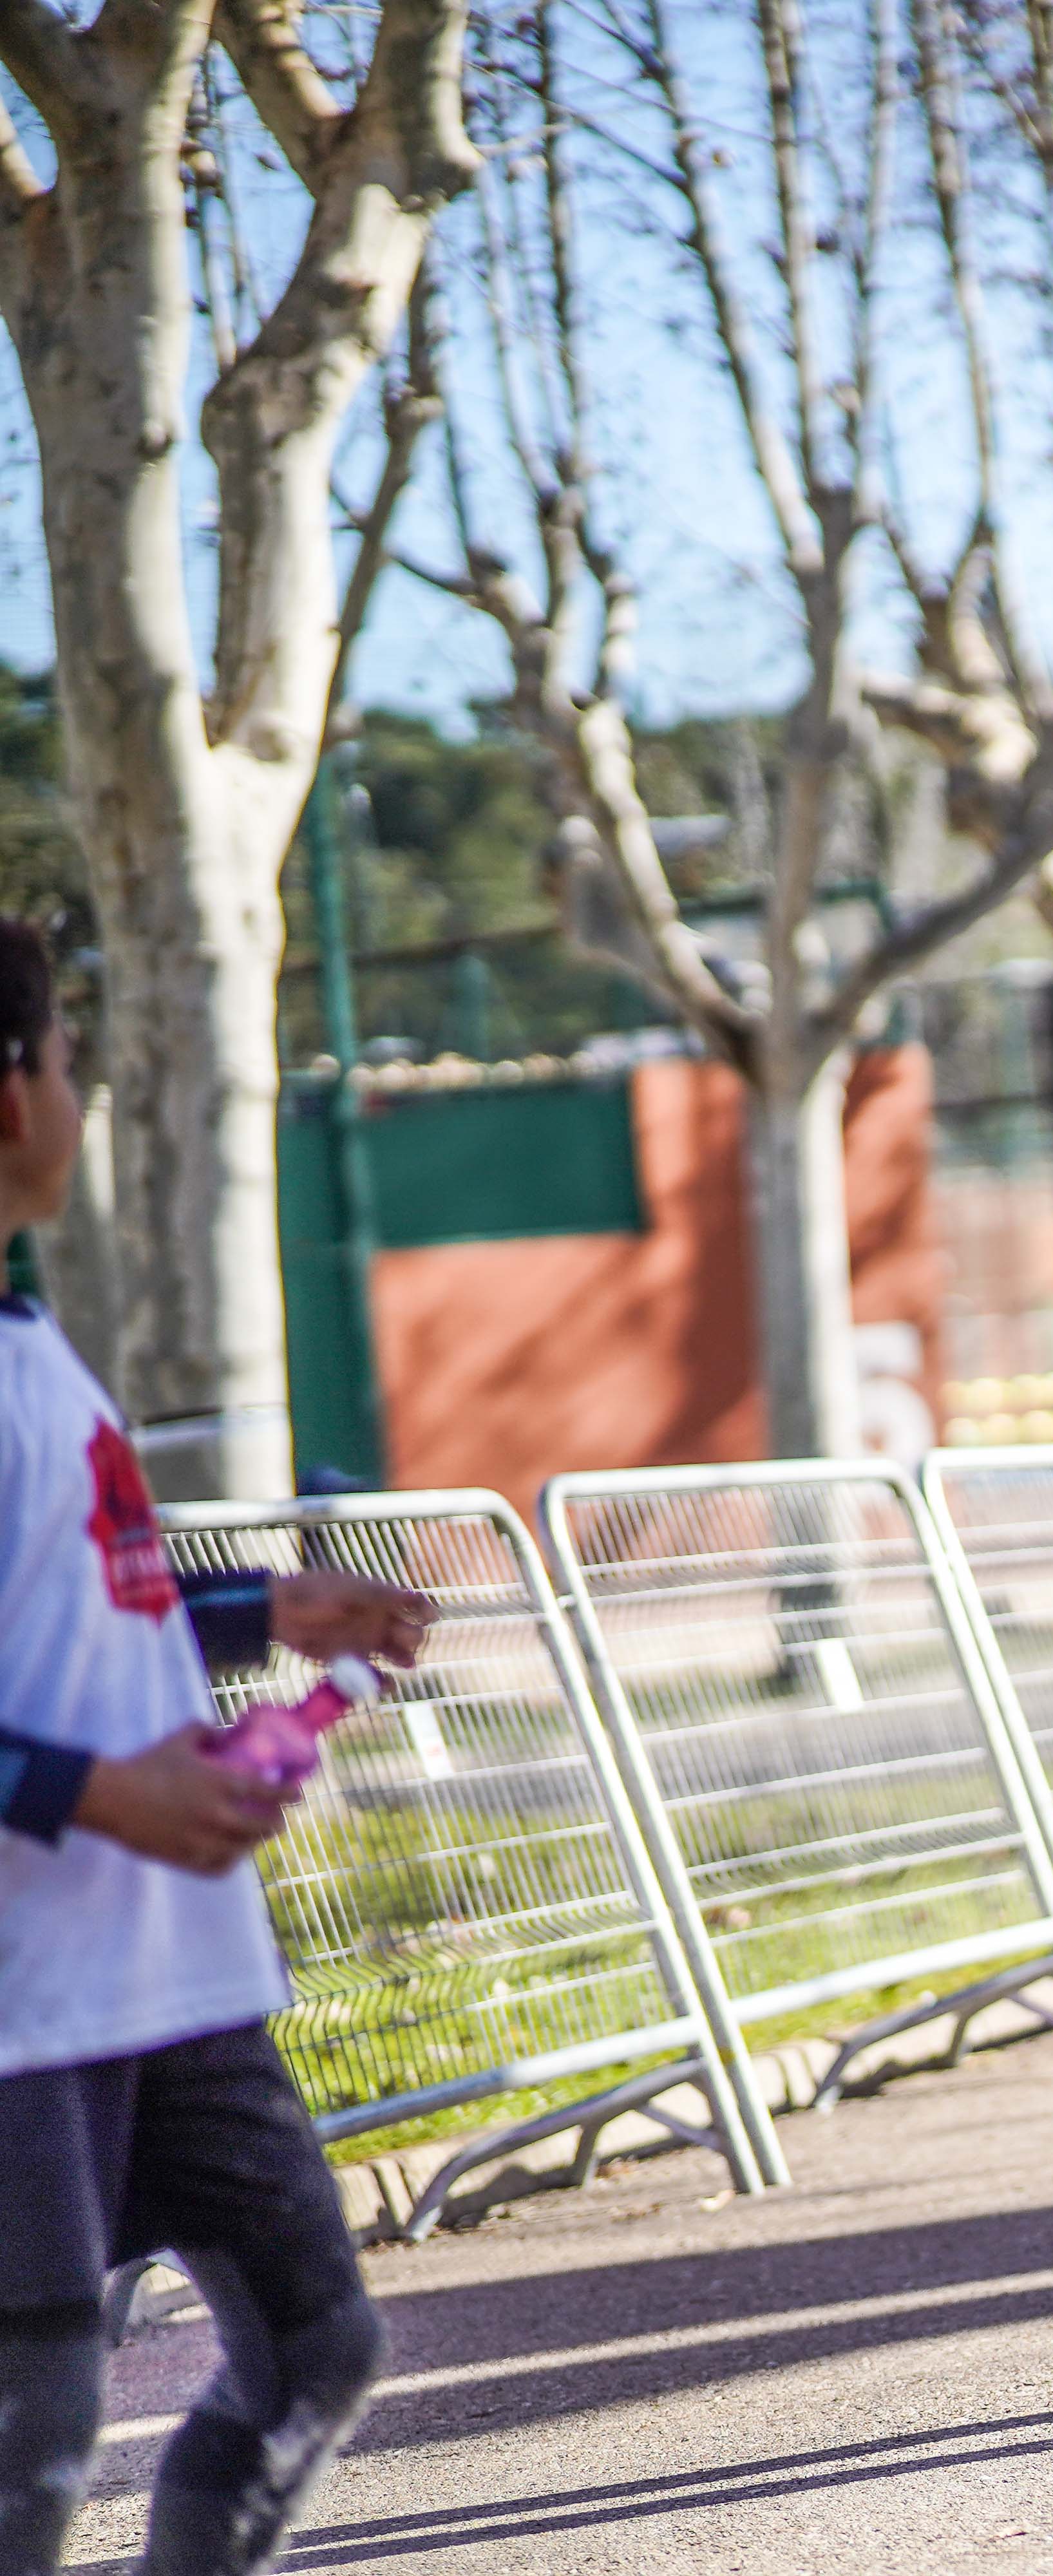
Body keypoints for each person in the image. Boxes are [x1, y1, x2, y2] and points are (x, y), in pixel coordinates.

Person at [0, 918, 438, 2576]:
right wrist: (107, 1791)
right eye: (66, 1062)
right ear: (11, 1097)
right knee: (31, 2436)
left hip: (172, 1978)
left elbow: (85, 1604)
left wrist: (273, 1610)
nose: (78, 1097)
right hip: (26, 2005)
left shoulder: (31, 1338)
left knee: (317, 2345)